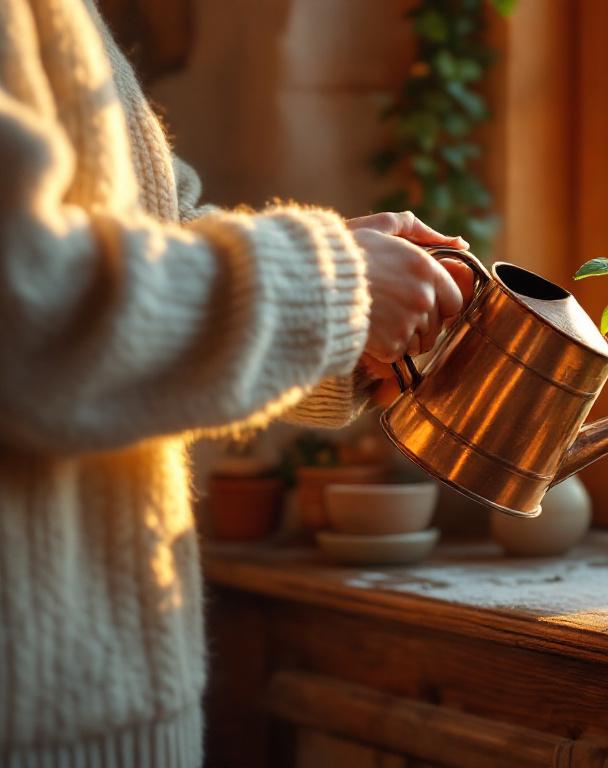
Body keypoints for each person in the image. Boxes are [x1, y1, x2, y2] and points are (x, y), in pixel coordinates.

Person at [0, 1, 473, 764]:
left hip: (109, 705)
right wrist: (333, 286)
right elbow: (25, 302)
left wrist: (339, 325)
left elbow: (146, 229)